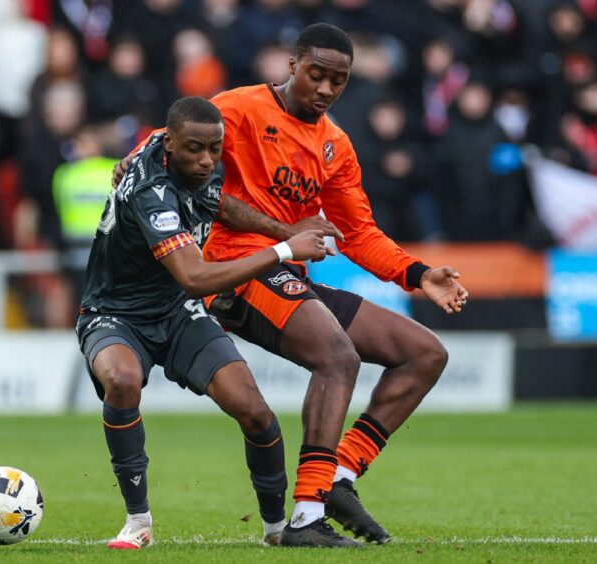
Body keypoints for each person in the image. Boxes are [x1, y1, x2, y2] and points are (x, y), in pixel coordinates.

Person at [114, 23, 469, 548]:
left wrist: (418, 275)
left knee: (424, 353)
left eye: (338, 81)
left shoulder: (336, 146)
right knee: (338, 357)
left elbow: (357, 233)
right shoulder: (240, 109)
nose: (325, 89)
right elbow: (175, 138)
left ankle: (339, 479)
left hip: (287, 272)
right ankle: (305, 516)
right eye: (316, 75)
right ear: (292, 66)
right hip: (234, 269)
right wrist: (139, 154)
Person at [77, 96, 337, 550]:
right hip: (115, 313)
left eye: (214, 149)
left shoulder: (179, 147)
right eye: (195, 149)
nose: (206, 160)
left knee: (254, 410)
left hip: (176, 312)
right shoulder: (149, 190)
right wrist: (284, 251)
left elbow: (221, 204)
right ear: (171, 143)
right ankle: (138, 522)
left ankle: (278, 530)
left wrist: (286, 228)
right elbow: (195, 278)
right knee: (122, 380)